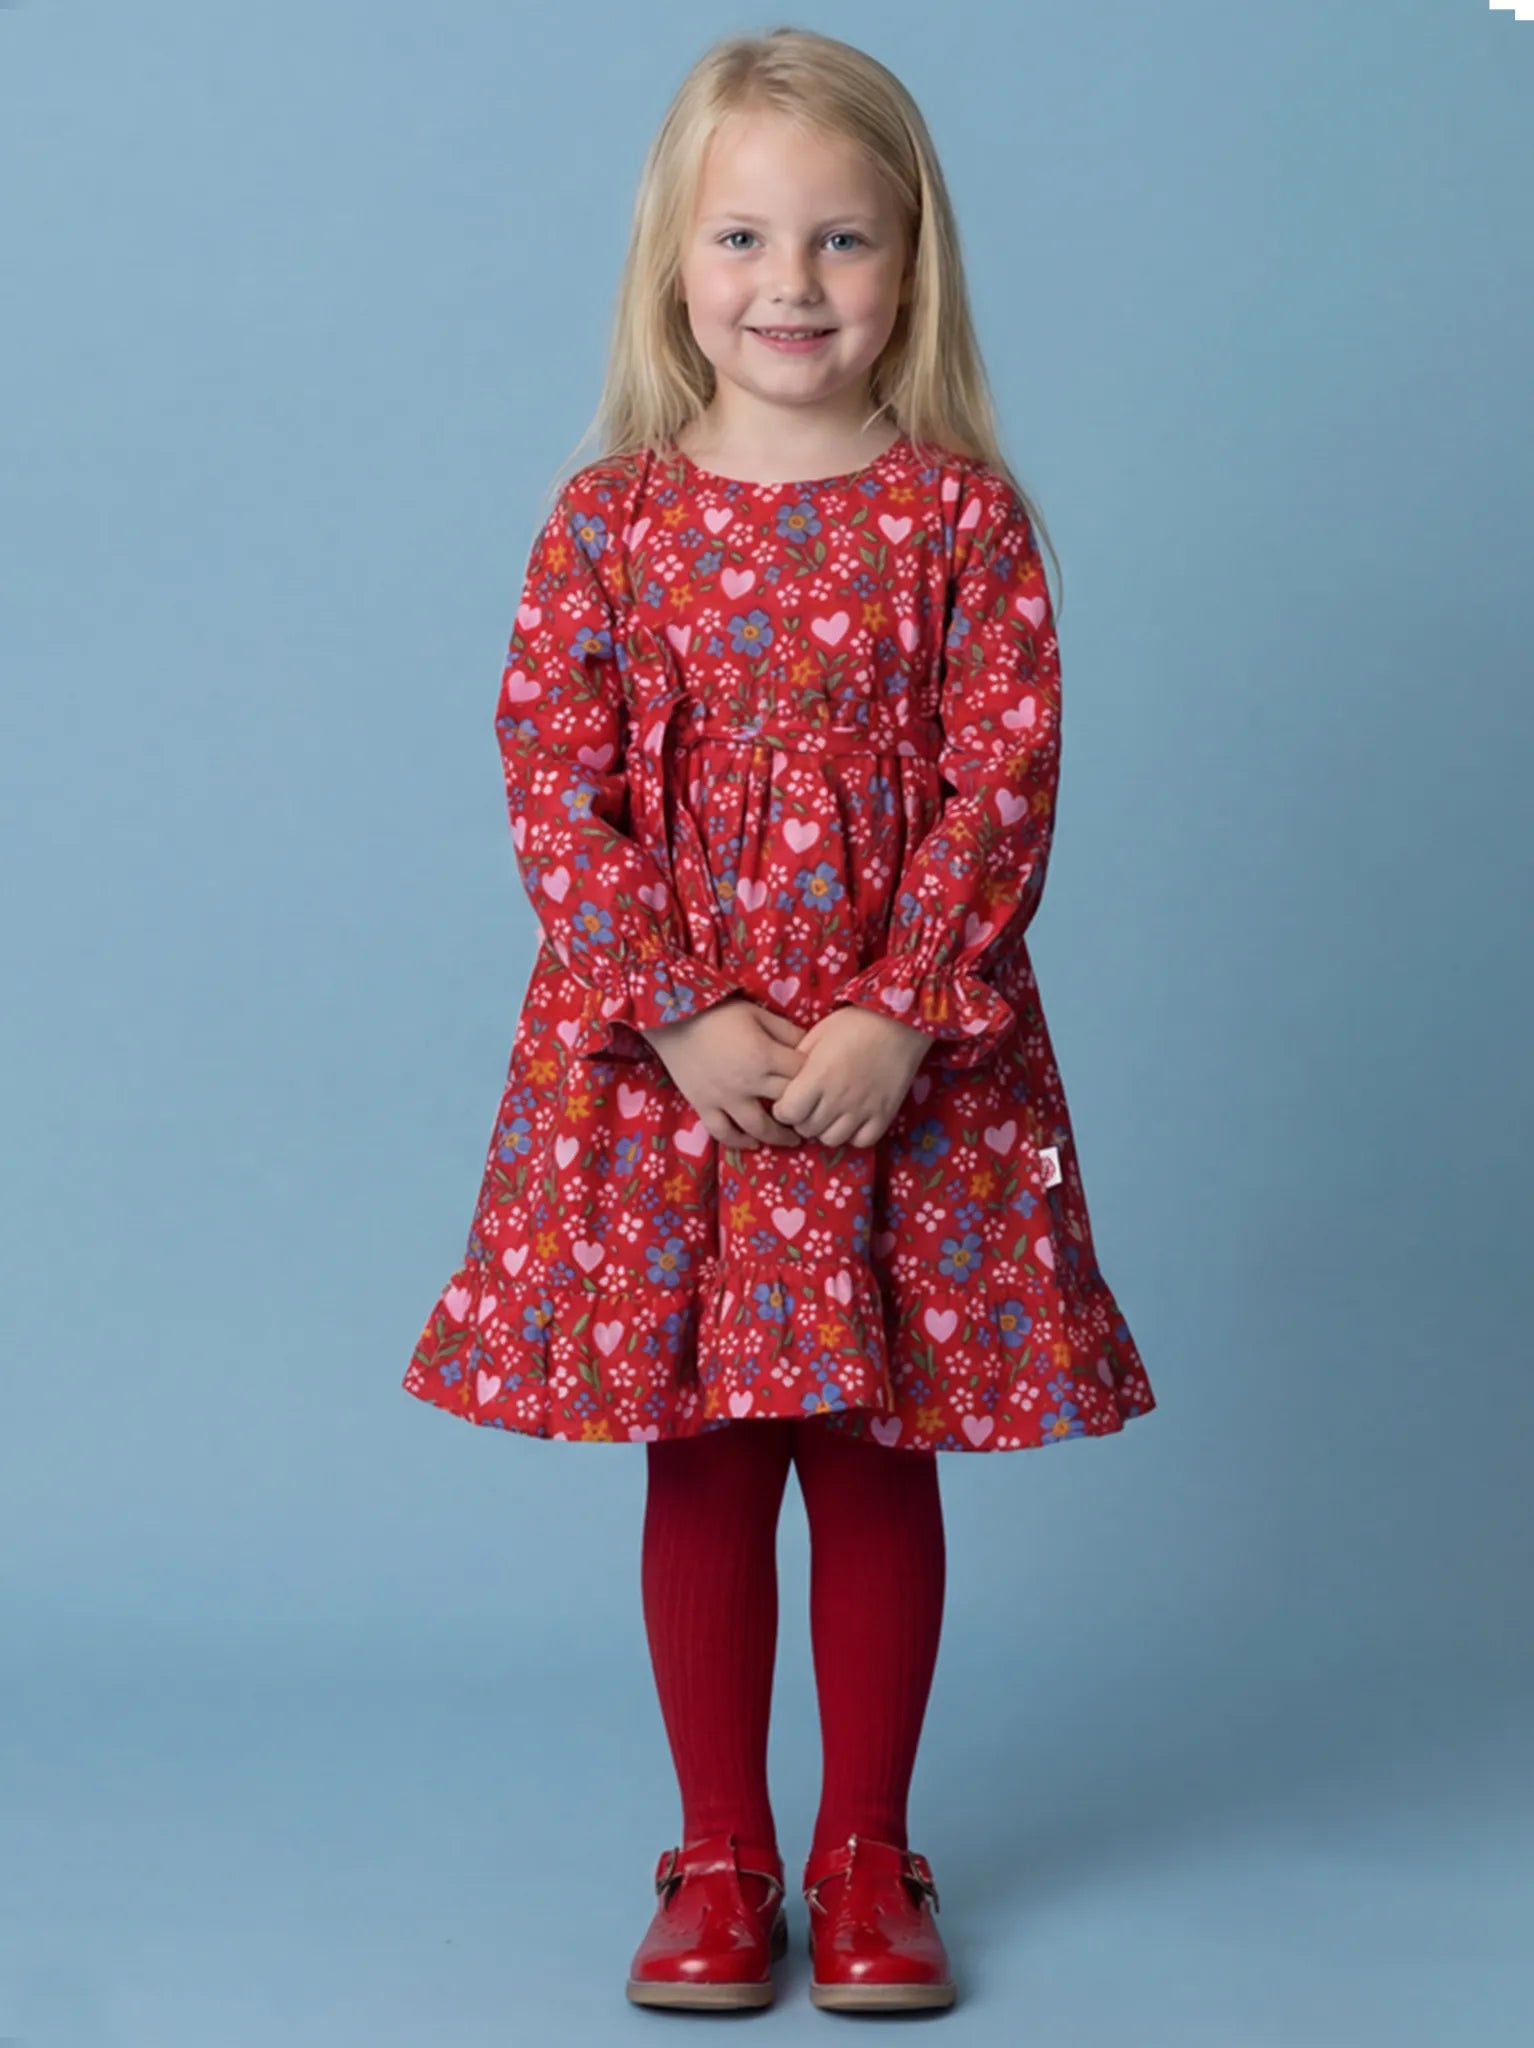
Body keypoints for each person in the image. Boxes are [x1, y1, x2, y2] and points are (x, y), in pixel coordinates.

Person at [403, 24, 1157, 2015]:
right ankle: (721, 1854)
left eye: (840, 240)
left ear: (913, 265)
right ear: (675, 264)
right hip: (688, 1094)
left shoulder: (962, 523)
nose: (792, 286)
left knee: (874, 1448)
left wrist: (907, 1014)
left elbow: (1008, 781)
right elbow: (551, 781)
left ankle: (867, 1852)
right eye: (744, 237)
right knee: (712, 1463)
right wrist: (673, 1012)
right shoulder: (612, 521)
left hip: (897, 1082)